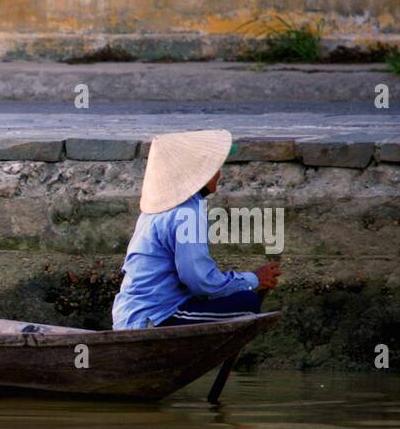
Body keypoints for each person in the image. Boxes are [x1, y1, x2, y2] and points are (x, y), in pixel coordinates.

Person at [112, 129, 280, 330]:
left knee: (238, 296)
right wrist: (253, 280)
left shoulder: (155, 210)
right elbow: (200, 281)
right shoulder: (188, 213)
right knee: (247, 303)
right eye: (214, 168)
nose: (218, 174)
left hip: (130, 315)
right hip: (156, 317)